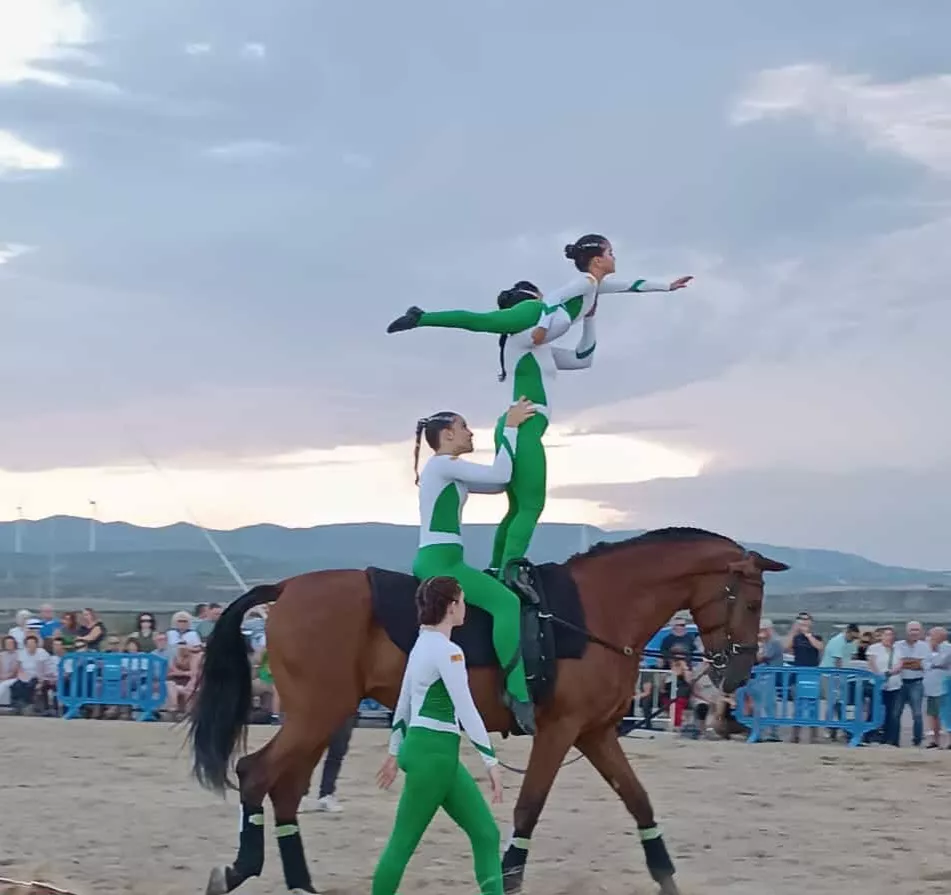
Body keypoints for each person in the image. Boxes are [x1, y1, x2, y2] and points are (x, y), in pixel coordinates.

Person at [386, 235, 692, 574]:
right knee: (531, 505)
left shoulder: (548, 340)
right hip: (524, 420)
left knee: (520, 507)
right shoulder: (538, 313)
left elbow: (582, 358)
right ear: (597, 259)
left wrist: (599, 314)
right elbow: (490, 318)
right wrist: (543, 323)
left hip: (527, 420)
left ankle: (498, 568)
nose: (614, 256)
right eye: (610, 252)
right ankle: (508, 572)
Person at [412, 397, 537, 734]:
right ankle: (518, 694)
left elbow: (499, 483)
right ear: (448, 435)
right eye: (463, 427)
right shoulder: (442, 464)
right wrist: (509, 428)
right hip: (442, 560)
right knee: (507, 603)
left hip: (447, 557)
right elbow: (500, 472)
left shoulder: (447, 469)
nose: (470, 433)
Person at [373, 576, 503, 895]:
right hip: (435, 756)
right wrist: (491, 762)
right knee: (402, 844)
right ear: (450, 606)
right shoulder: (449, 651)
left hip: (429, 753)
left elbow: (403, 703)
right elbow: (467, 709)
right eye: (462, 600)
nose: (465, 607)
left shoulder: (421, 644)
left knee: (487, 834)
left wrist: (394, 752)